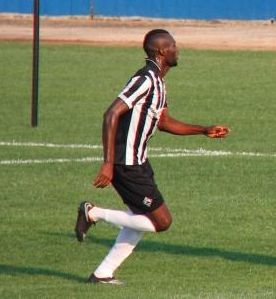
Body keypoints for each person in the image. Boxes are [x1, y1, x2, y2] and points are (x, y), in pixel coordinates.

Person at [74, 29, 230, 285]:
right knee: (161, 221)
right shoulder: (145, 80)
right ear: (161, 51)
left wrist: (203, 130)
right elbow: (111, 114)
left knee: (139, 218)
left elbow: (164, 122)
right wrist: (108, 163)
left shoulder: (159, 83)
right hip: (126, 164)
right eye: (173, 46)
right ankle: (92, 213)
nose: (177, 49)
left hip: (140, 162)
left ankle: (102, 274)